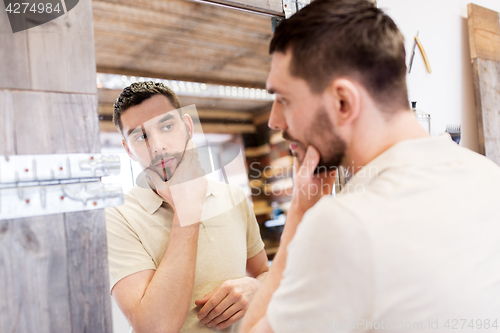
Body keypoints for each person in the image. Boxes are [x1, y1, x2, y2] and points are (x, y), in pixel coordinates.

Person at [240, 0, 500, 332]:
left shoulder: (345, 225)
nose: (275, 121)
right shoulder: (487, 175)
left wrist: (301, 214)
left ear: (343, 102)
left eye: (284, 100)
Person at [105, 81, 269, 333]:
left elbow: (263, 273)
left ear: (188, 127)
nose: (158, 146)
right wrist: (187, 209)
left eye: (167, 126)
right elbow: (154, 328)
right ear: (128, 149)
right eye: (141, 136)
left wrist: (256, 288)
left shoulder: (233, 196)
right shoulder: (117, 217)